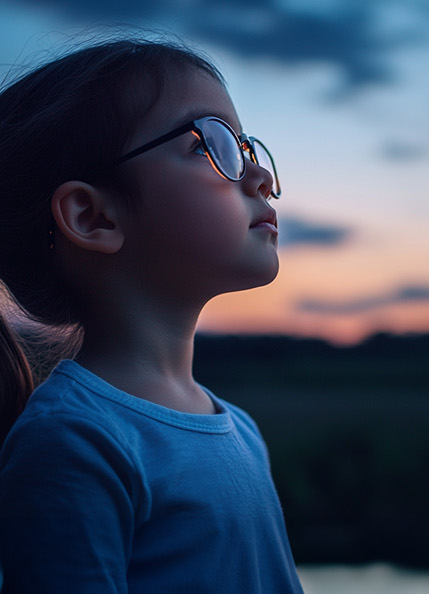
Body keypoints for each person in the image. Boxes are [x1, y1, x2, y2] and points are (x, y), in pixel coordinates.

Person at [0, 37, 302, 593]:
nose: (259, 177)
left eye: (247, 147)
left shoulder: (241, 430)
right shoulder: (73, 443)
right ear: (92, 216)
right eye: (211, 143)